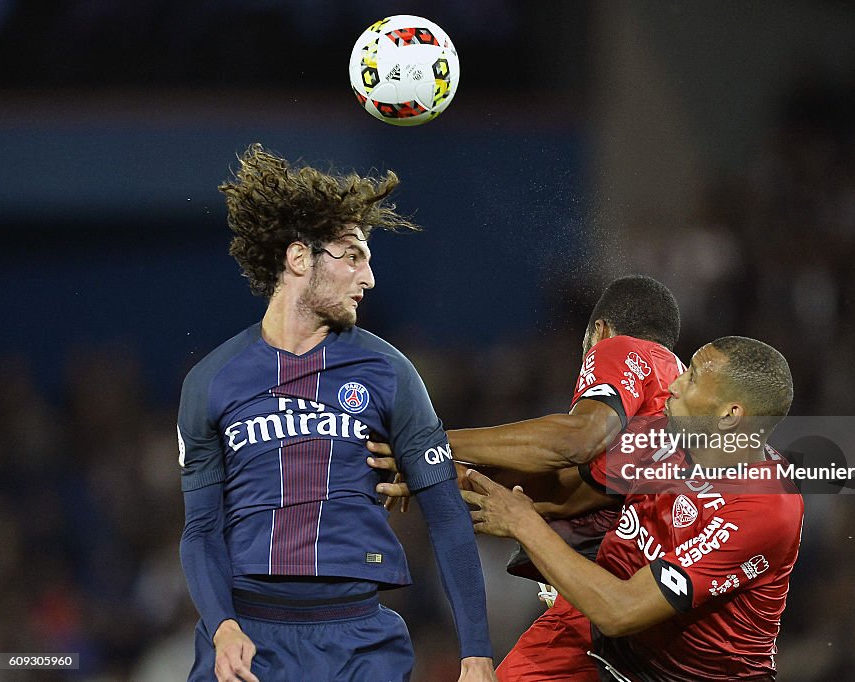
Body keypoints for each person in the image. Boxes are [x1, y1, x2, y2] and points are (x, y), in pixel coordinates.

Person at [176, 144, 495, 682]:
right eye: (354, 256)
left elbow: (445, 514)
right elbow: (201, 529)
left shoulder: (390, 371)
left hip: (359, 640)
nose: (368, 278)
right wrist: (222, 625)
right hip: (247, 638)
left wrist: (477, 653)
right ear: (300, 258)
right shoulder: (211, 381)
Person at [463, 336, 803, 681]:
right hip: (599, 637)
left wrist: (524, 524)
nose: (674, 384)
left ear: (730, 416)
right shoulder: (662, 433)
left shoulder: (765, 509)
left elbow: (621, 610)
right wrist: (432, 465)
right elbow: (559, 488)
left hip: (690, 672)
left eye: (693, 378)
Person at [370, 275, 685, 588]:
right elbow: (563, 492)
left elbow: (577, 439)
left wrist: (432, 443)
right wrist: (437, 467)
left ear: (599, 331)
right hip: (673, 583)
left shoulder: (619, 347)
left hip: (643, 590)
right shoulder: (676, 425)